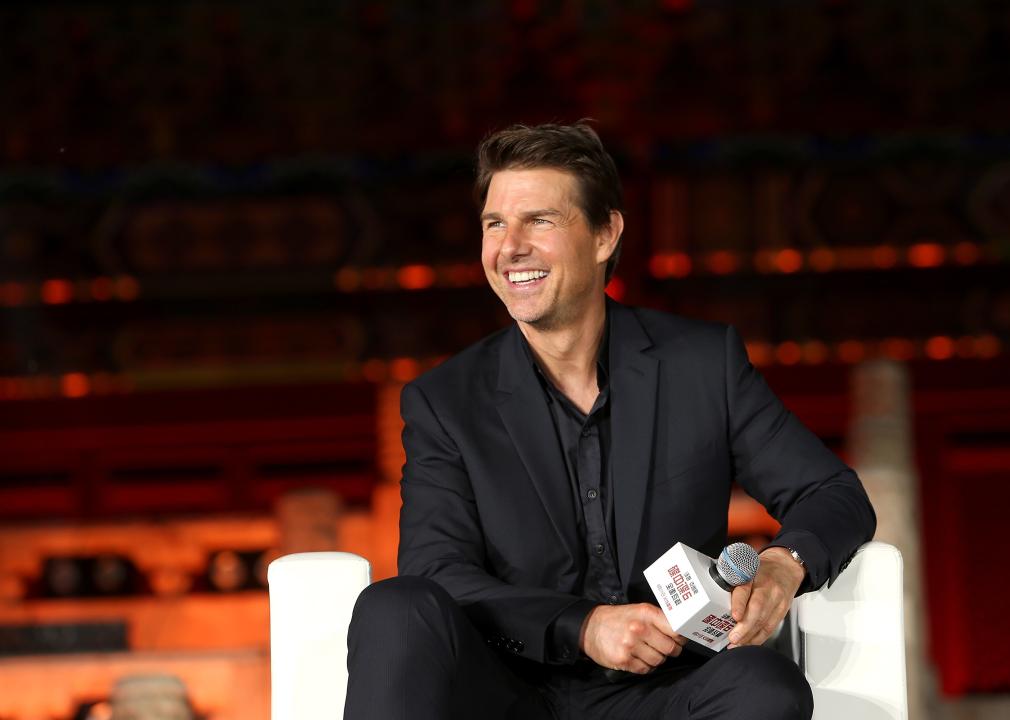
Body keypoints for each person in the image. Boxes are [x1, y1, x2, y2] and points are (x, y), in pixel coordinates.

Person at [344, 122, 876, 720]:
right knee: (395, 605)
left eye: (539, 220)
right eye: (495, 224)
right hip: (513, 692)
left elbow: (833, 492)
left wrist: (784, 564)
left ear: (604, 234)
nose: (509, 246)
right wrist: (583, 626)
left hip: (669, 692)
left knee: (765, 686)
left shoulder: (701, 366)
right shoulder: (445, 401)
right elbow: (439, 572)